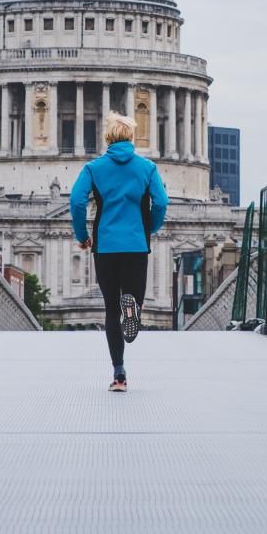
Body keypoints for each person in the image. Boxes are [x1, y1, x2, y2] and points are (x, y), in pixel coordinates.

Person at [70, 111, 168, 391]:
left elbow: (77, 202)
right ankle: (134, 307)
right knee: (133, 298)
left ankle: (119, 374)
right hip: (136, 244)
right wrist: (149, 227)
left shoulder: (94, 168)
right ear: (131, 137)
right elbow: (161, 202)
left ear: (107, 138)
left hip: (106, 246)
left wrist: (82, 235)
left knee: (111, 310)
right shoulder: (147, 167)